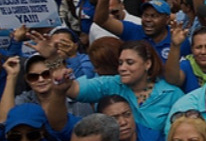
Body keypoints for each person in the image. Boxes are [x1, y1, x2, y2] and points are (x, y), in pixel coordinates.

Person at [55, 40, 184, 131]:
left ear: (147, 64)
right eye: (120, 63)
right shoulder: (111, 84)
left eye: (130, 62)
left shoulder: (171, 94)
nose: (122, 68)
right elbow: (74, 89)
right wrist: (53, 61)